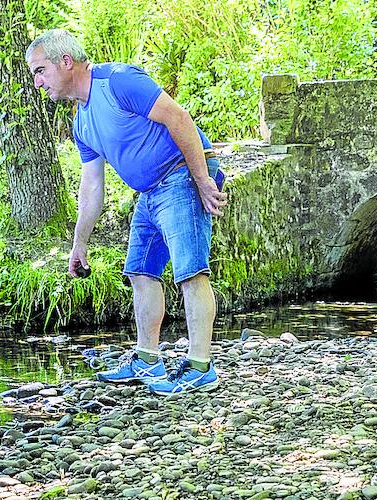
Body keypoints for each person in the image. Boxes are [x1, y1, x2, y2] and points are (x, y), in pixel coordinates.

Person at [25, 29, 227, 396]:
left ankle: (201, 367)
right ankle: (148, 359)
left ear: (65, 62)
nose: (38, 82)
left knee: (191, 271)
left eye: (40, 71)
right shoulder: (81, 123)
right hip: (149, 192)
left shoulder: (118, 81)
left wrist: (202, 180)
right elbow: (92, 188)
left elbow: (179, 119)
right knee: (140, 272)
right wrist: (78, 244)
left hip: (182, 175)